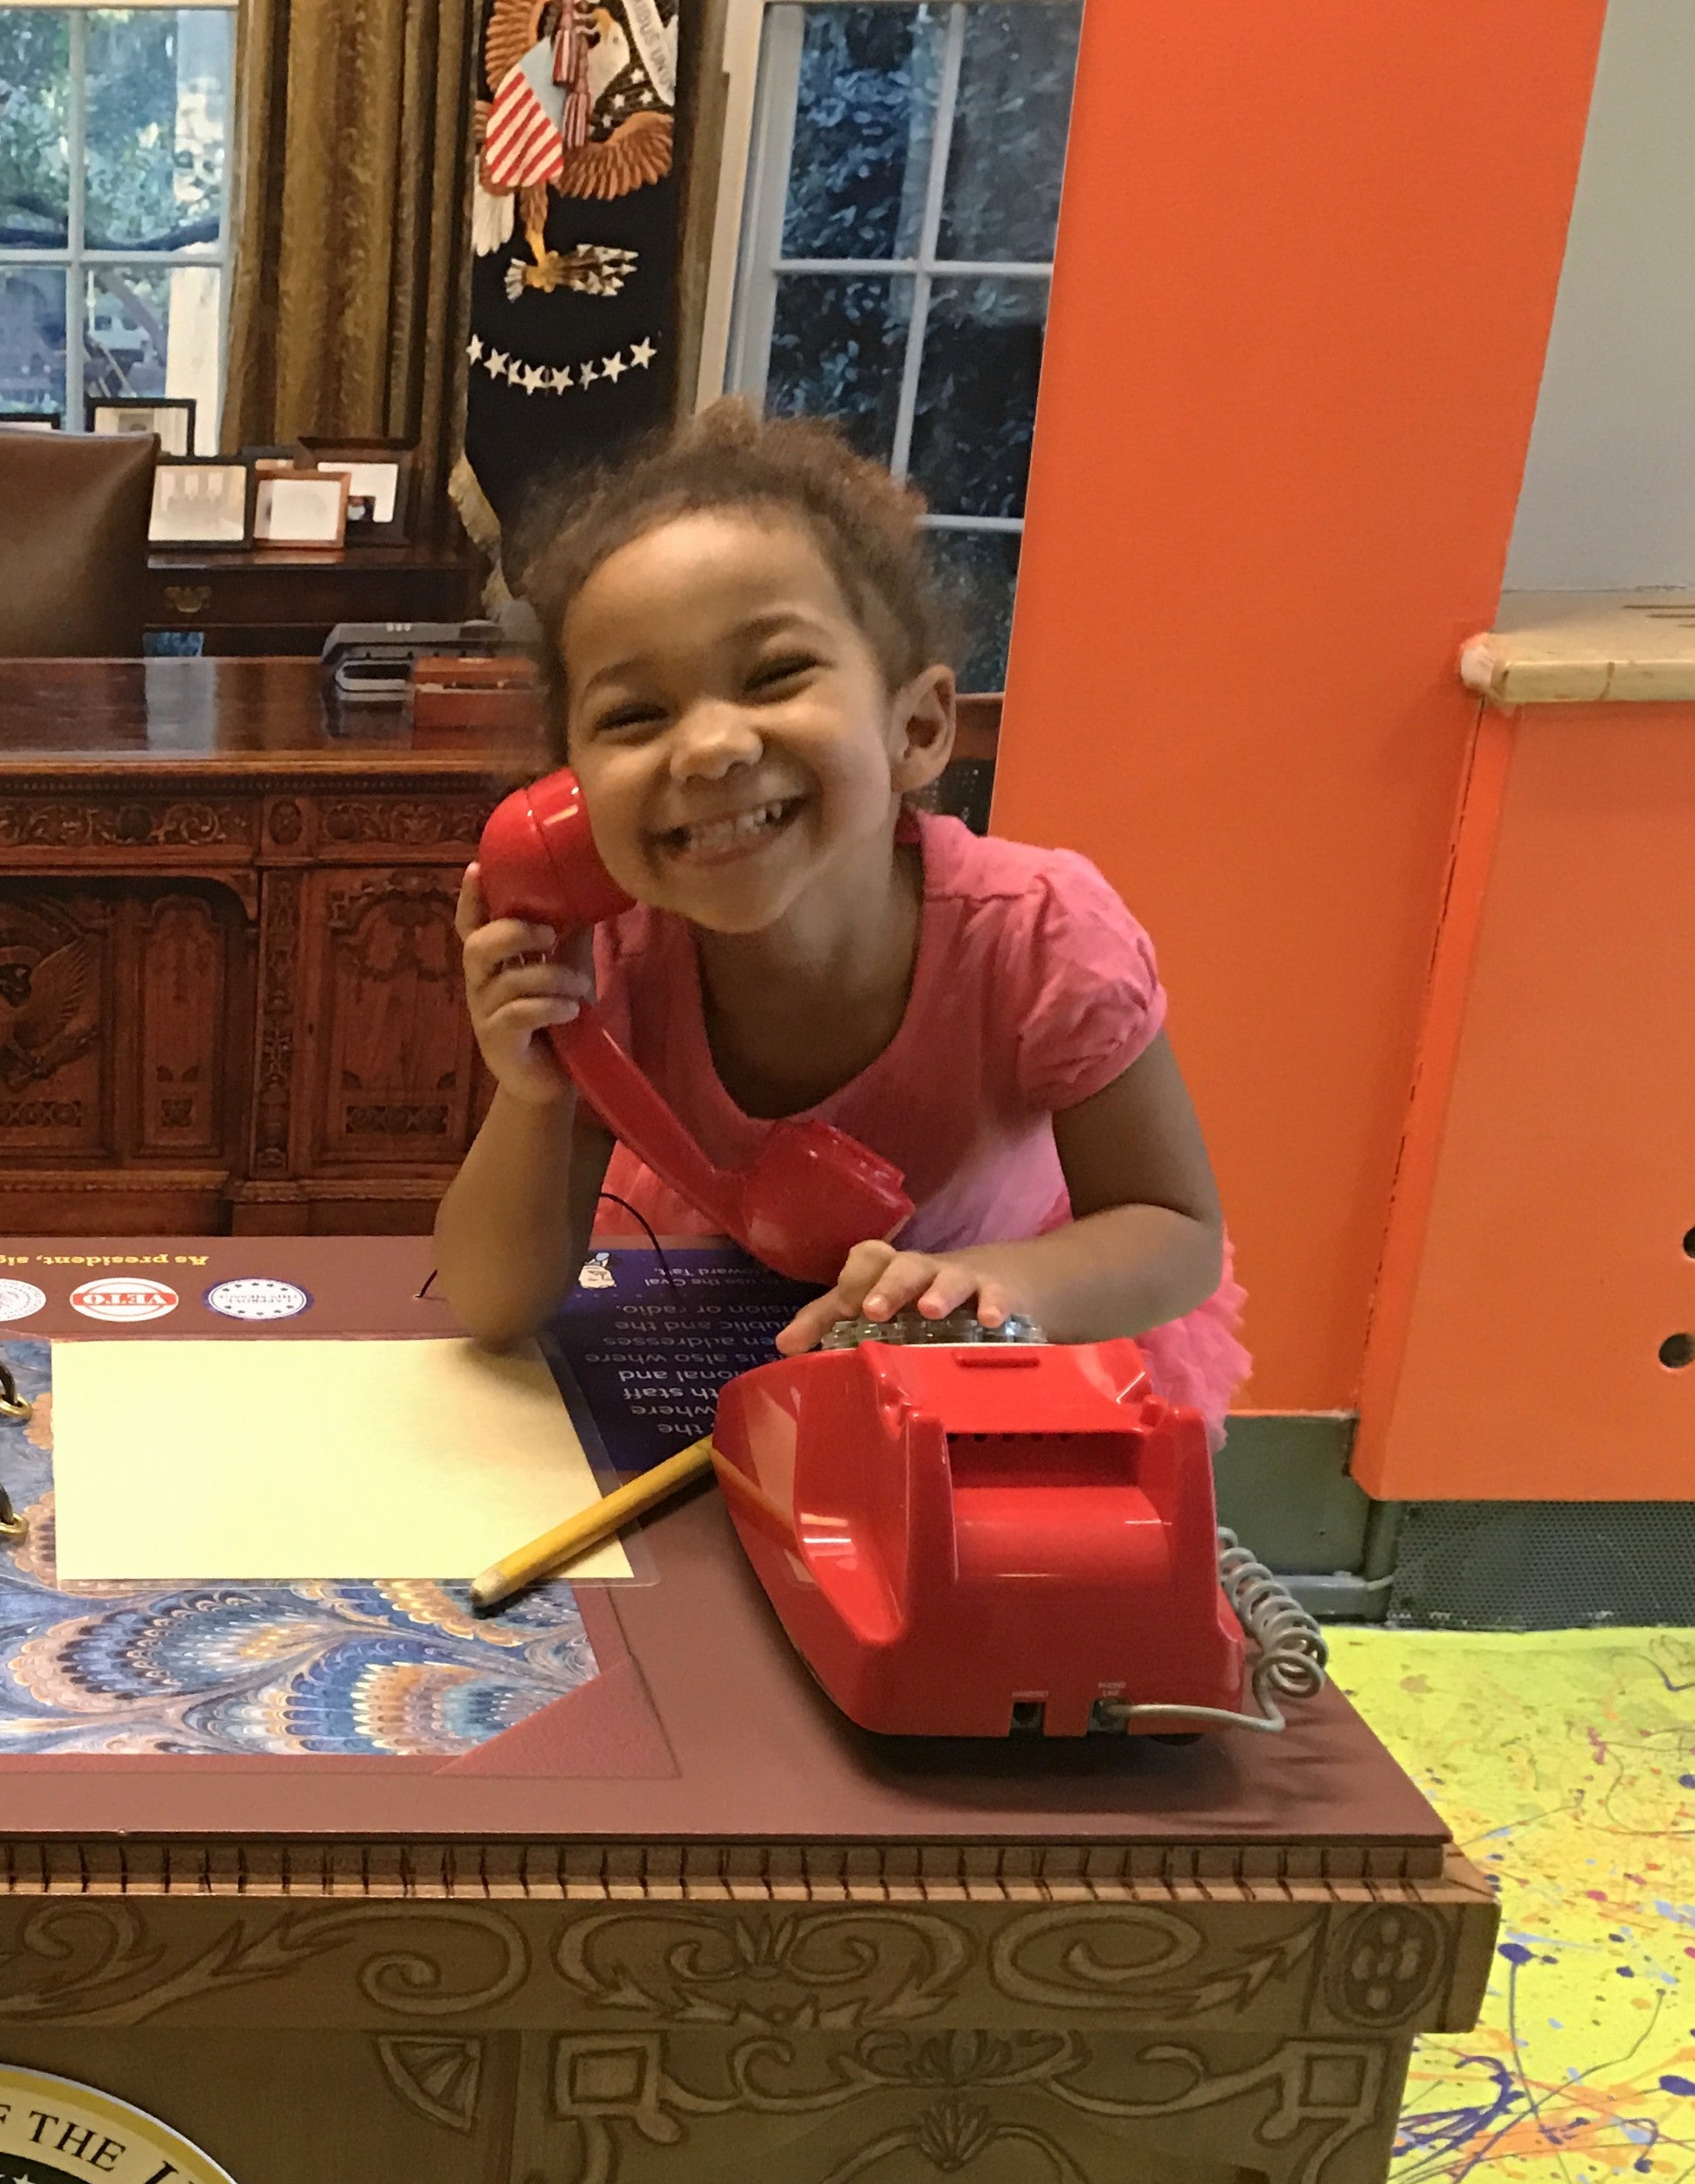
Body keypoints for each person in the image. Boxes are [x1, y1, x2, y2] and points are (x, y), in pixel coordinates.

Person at [432, 403, 1245, 1429]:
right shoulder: (616, 957)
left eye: (775, 674)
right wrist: (534, 1090)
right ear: (572, 799)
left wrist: (996, 1288)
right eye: (635, 715)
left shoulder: (1039, 934)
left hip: (978, 1357)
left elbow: (1173, 1229)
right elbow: (492, 1303)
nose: (710, 747)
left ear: (917, 727)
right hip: (711, 1346)